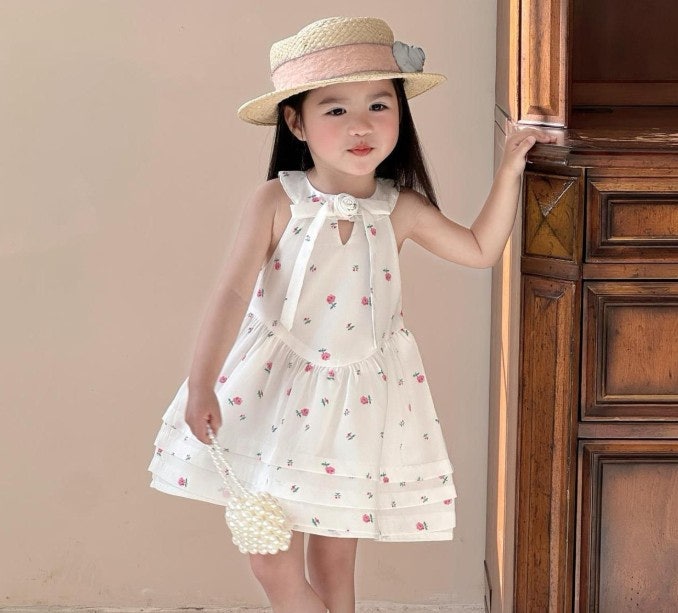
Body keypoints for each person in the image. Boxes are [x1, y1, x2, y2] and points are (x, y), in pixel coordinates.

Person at [148, 16, 555, 613]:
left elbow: (478, 249)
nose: (361, 126)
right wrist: (202, 381)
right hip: (277, 392)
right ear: (296, 122)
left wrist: (511, 169)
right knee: (269, 556)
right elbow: (231, 294)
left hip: (358, 402)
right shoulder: (277, 200)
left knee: (335, 560)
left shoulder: (400, 208)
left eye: (378, 105)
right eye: (335, 109)